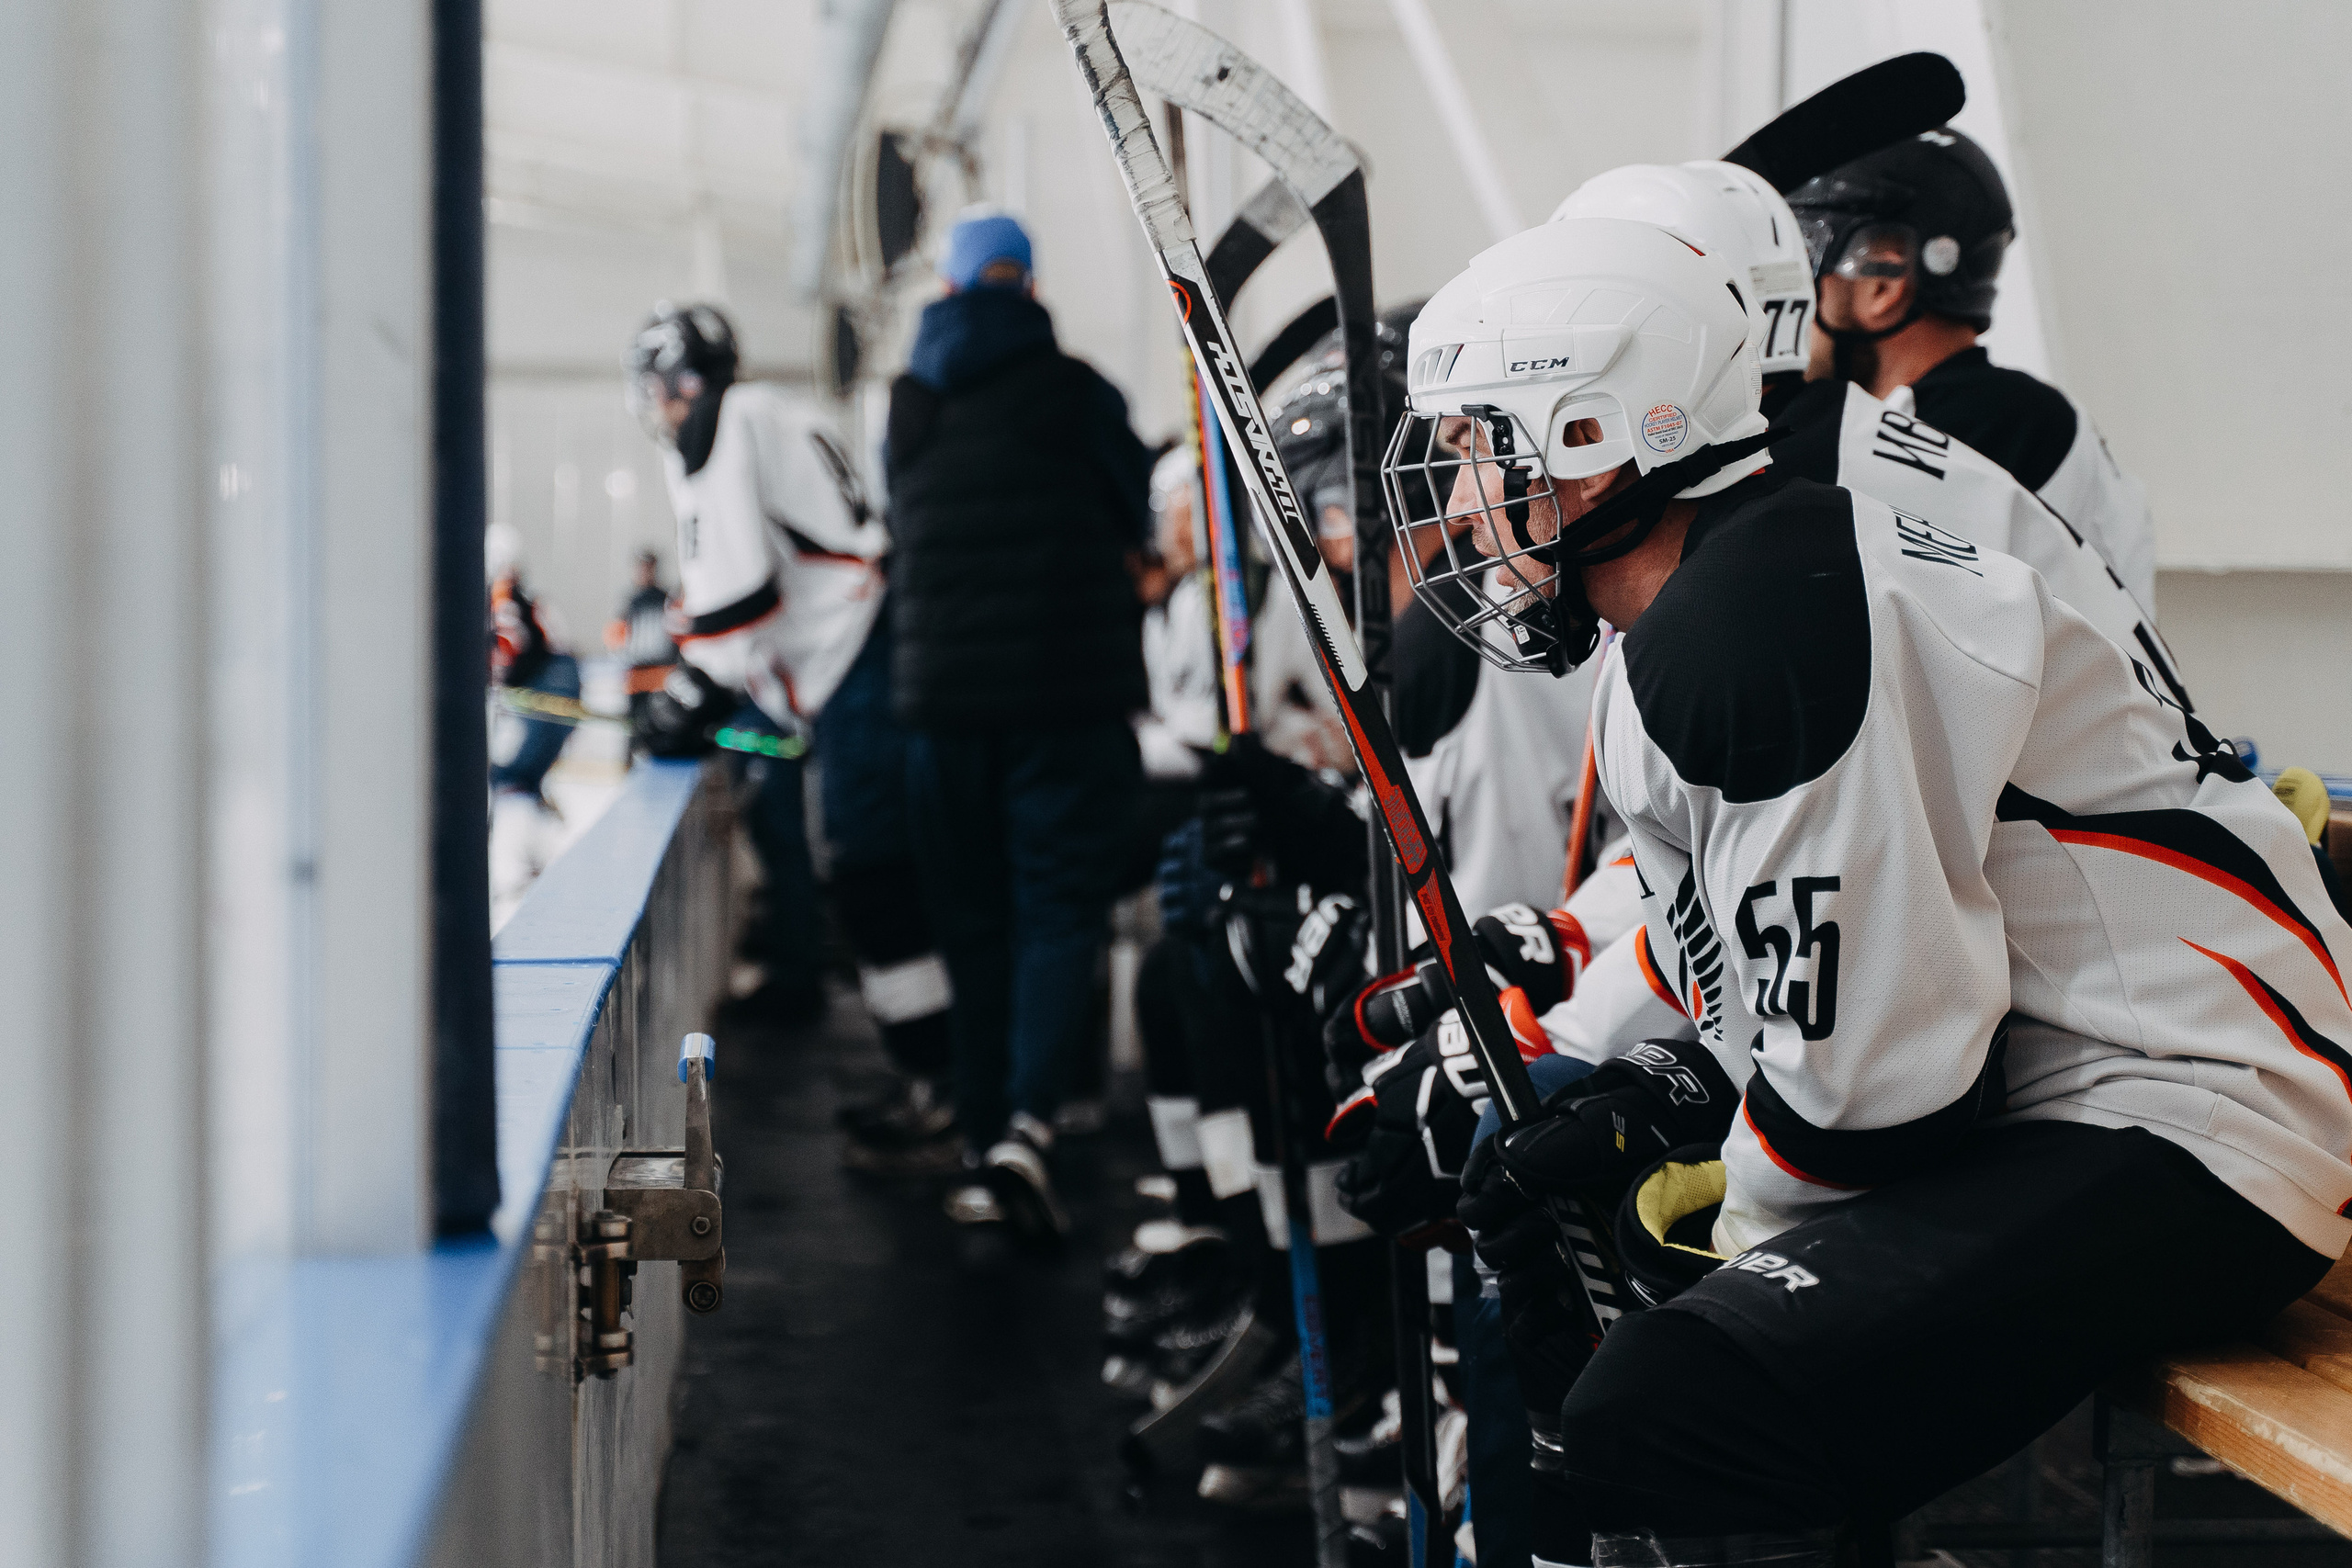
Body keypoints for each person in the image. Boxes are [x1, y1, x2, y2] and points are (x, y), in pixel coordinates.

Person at [1378, 215, 2352, 1564]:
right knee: (1642, 1341)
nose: (1468, 504)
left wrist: (1708, 1243)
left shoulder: (1765, 617)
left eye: (1492, 450)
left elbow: (1881, 1094)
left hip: (2195, 1115)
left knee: (1673, 1406)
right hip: (2071, 1084)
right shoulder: (1717, 598)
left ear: (1602, 439)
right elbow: (1760, 973)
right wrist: (1645, 1097)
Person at [885, 209, 1152, 1241]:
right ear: (1029, 289)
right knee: (1055, 910)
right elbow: (1132, 511)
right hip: (1064, 694)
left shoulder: (909, 405)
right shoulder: (1078, 393)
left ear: (949, 290)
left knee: (971, 917)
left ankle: (977, 1120)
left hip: (939, 705)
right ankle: (1027, 1130)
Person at [627, 307, 957, 1143]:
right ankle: (944, 1086)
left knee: (875, 873)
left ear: (680, 384)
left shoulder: (728, 426)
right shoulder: (769, 411)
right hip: (862, 661)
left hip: (856, 666)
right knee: (884, 874)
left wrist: (694, 692)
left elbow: (739, 596)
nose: (658, 409)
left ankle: (944, 1094)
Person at [1788, 128, 2159, 612]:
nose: (1784, 307)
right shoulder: (2025, 414)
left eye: (1804, 265)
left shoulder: (1991, 428)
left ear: (1882, 284)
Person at [487, 523, 578, 905]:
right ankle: (545, 854)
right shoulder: (526, 596)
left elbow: (512, 648)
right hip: (560, 688)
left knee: (511, 780)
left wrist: (495, 677)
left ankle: (526, 863)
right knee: (518, 779)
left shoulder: (505, 594)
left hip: (548, 691)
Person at [605, 547, 679, 733]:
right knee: (634, 729)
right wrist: (621, 654)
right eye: (641, 567)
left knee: (660, 727)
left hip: (661, 676)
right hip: (636, 676)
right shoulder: (630, 601)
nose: (645, 571)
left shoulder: (665, 598)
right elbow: (616, 635)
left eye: (648, 567)